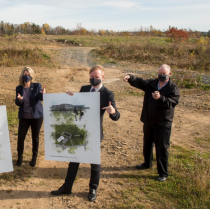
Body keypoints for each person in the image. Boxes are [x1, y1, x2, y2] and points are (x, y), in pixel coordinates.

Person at [51, 65, 121, 201]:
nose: (94, 79)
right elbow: (78, 106)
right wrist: (71, 98)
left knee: (94, 163)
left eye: (97, 77)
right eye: (92, 77)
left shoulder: (108, 94)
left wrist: (113, 112)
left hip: (94, 133)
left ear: (103, 77)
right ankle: (67, 187)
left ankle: (93, 189)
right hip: (80, 130)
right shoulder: (84, 89)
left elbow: (116, 115)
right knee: (74, 161)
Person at [123, 64, 180, 182]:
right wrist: (130, 77)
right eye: (160, 73)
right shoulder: (152, 84)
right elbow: (141, 83)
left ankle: (163, 173)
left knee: (162, 148)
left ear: (169, 74)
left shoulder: (172, 88)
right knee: (147, 144)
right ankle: (147, 163)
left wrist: (160, 98)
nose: (161, 76)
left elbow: (172, 103)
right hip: (149, 121)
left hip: (163, 124)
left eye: (164, 74)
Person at [15, 67, 46, 167]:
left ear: (31, 76)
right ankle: (20, 157)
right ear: (22, 75)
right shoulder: (19, 88)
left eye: (28, 74)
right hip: (24, 116)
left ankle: (34, 158)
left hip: (36, 116)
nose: (26, 76)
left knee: (35, 138)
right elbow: (17, 103)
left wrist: (44, 94)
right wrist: (19, 100)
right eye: (25, 74)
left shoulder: (37, 86)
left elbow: (41, 98)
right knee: (20, 137)